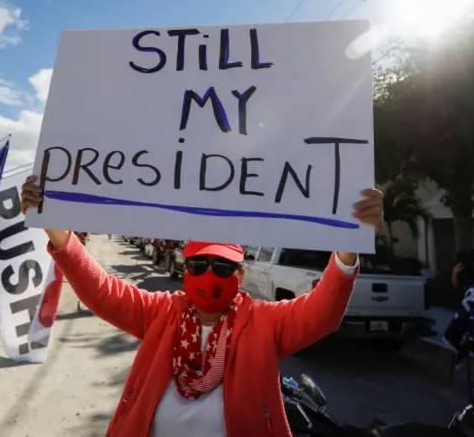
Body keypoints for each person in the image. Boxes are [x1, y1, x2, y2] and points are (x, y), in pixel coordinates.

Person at [20, 175, 384, 437]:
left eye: (222, 267)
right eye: (199, 264)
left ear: (240, 276)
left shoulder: (265, 322)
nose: (209, 274)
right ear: (185, 266)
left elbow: (322, 313)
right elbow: (103, 291)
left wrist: (347, 248)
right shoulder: (161, 312)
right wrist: (57, 231)